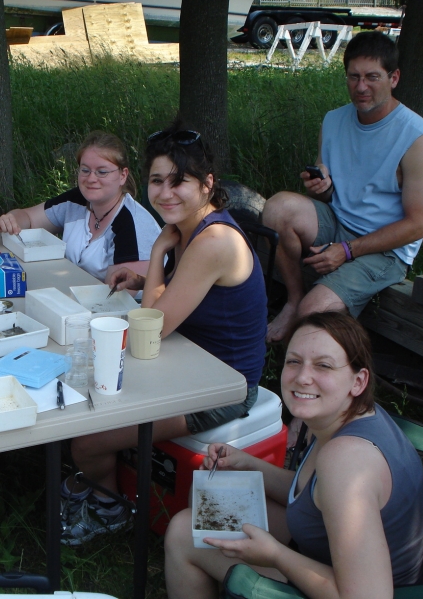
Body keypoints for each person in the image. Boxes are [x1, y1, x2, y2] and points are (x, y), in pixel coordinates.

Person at [59, 123, 267, 546]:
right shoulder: (192, 229)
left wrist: (156, 253)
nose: (166, 192)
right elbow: (175, 301)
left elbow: (150, 328)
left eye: (180, 181)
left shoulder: (212, 241)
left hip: (222, 387)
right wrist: (144, 281)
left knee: (86, 441)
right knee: (87, 383)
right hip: (188, 362)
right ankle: (101, 492)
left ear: (208, 184)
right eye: (157, 180)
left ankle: (111, 509)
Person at [164, 312, 423, 599]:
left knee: (183, 534)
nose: (303, 377)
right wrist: (248, 464)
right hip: (330, 558)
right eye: (294, 361)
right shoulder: (347, 416)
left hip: (359, 589)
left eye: (323, 366)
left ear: (358, 380)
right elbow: (312, 492)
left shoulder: (348, 460)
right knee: (205, 505)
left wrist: (276, 555)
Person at [263, 31, 423, 343]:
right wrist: (321, 189)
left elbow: (417, 225)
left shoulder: (416, 138)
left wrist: (346, 251)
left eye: (372, 77)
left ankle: (333, 353)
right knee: (278, 208)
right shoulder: (334, 120)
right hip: (339, 223)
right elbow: (330, 196)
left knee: (315, 312)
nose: (361, 87)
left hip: (385, 250)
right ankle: (292, 300)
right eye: (354, 77)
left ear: (394, 77)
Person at [0, 131, 161, 283]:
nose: (91, 179)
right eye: (85, 170)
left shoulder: (133, 224)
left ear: (122, 175)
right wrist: (12, 220)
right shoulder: (76, 201)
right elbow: (29, 218)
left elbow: (115, 296)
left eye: (102, 172)